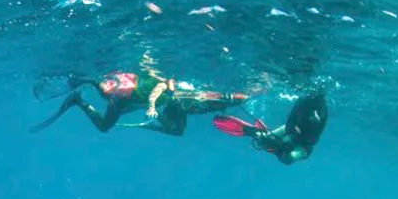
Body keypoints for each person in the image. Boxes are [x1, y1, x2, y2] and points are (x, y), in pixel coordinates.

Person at [30, 66, 249, 137]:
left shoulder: (177, 105)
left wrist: (154, 118)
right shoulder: (174, 97)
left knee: (176, 130)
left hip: (143, 100)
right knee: (106, 121)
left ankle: (79, 98)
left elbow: (176, 128)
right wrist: (154, 108)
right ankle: (80, 92)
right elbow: (163, 84)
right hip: (132, 97)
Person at [212, 91, 328, 165]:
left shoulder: (319, 112)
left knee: (285, 154)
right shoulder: (304, 102)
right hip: (293, 129)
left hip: (299, 141)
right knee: (266, 138)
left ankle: (270, 142)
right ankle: (256, 132)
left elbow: (291, 154)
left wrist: (273, 142)